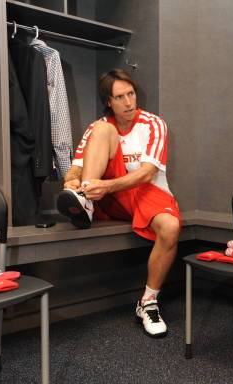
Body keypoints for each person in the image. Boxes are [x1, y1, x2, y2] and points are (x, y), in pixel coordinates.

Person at [57, 69, 181, 338]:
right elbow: (75, 168)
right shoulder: (99, 126)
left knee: (170, 227)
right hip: (107, 196)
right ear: (108, 102)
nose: (128, 103)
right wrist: (72, 183)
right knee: (103, 130)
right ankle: (85, 202)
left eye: (131, 94)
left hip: (145, 191)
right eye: (120, 97)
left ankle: (147, 302)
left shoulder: (154, 124)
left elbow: (148, 173)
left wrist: (103, 186)